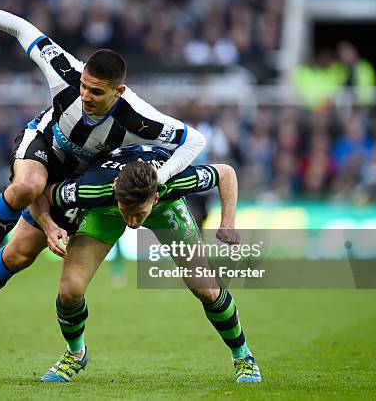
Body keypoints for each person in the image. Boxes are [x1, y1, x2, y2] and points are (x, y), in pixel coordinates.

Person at [0, 0, 206, 368]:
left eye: (96, 92)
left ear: (118, 92)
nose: (85, 95)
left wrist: (158, 175)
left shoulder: (139, 118)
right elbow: (21, 27)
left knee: (18, 256)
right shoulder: (65, 72)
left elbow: (194, 140)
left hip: (74, 177)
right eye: (84, 86)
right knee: (28, 185)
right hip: (41, 147)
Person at [30, 146, 261, 384]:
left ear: (155, 196)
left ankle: (243, 357)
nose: (132, 222)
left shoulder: (174, 181)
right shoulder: (91, 187)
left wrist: (227, 224)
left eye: (138, 214)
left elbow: (226, 173)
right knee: (70, 291)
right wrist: (49, 226)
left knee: (206, 289)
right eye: (127, 212)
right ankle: (75, 353)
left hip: (166, 210)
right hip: (104, 211)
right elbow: (38, 194)